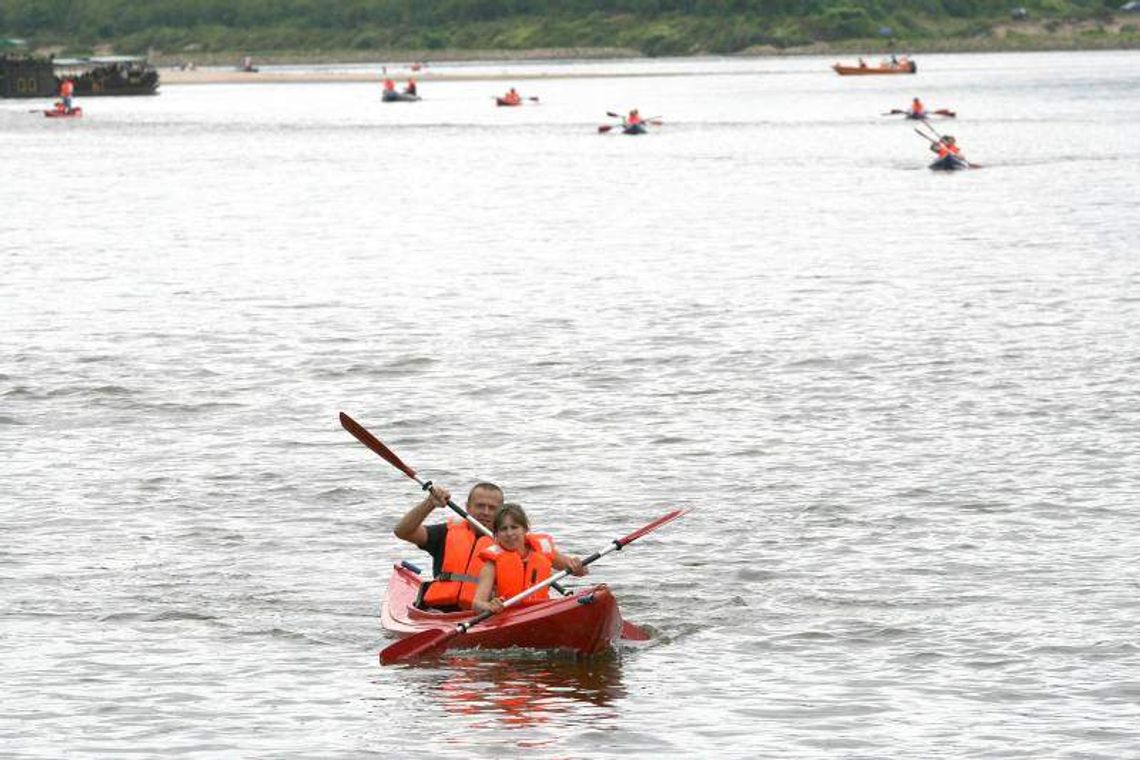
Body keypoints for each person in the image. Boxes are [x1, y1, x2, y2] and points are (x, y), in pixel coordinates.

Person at [394, 482, 503, 610]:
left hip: (485, 613)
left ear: (501, 512)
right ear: (467, 508)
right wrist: (430, 503)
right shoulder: (445, 533)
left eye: (492, 508)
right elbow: (402, 531)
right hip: (439, 612)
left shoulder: (510, 542)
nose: (485, 512)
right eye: (480, 506)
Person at [472, 503, 588, 615]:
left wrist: (578, 566)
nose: (509, 533)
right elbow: (477, 604)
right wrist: (490, 606)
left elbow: (582, 572)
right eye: (503, 529)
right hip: (509, 617)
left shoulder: (543, 550)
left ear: (525, 529)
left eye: (514, 527)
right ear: (496, 534)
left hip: (541, 611)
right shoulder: (491, 565)